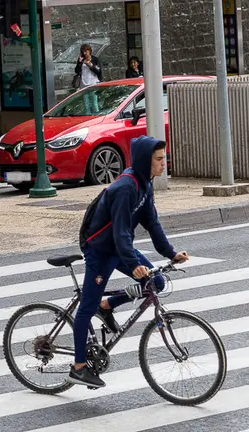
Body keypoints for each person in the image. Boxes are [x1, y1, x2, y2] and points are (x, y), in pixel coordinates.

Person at [68, 136, 189, 388]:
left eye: (163, 158)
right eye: (158, 159)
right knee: (86, 310)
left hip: (118, 249)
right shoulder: (126, 187)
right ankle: (79, 367)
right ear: (146, 160)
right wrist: (133, 264)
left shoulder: (144, 184)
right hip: (100, 250)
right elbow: (121, 232)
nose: (163, 163)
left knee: (156, 282)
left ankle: (108, 304)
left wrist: (171, 253)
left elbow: (153, 224)